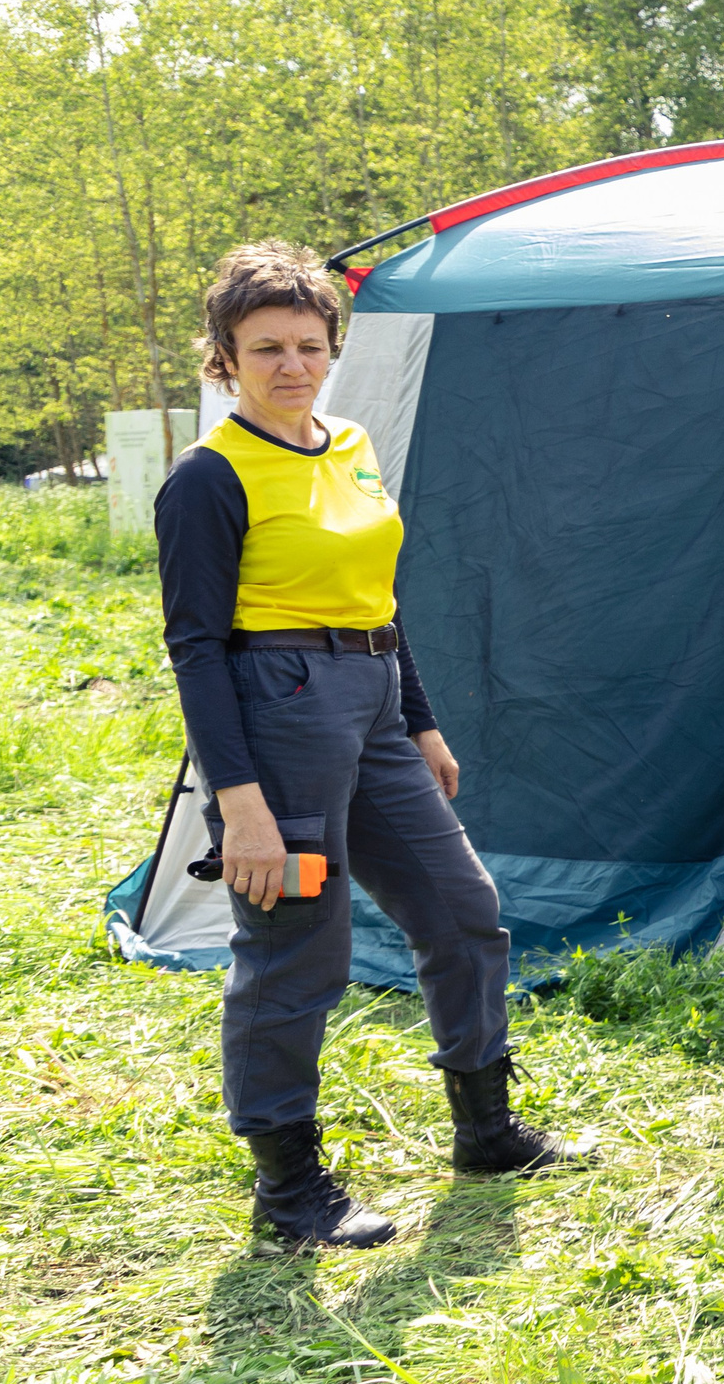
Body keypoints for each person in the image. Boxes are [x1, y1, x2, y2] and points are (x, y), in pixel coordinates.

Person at [157, 242, 579, 1251]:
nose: (291, 365)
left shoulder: (348, 443)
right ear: (225, 356)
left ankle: (485, 1130)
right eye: (267, 347)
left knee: (463, 908)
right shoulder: (208, 478)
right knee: (297, 946)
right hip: (277, 710)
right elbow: (196, 650)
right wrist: (242, 804)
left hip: (375, 700)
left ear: (332, 349)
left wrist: (417, 719)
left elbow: (378, 599)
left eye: (309, 345)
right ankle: (289, 1190)